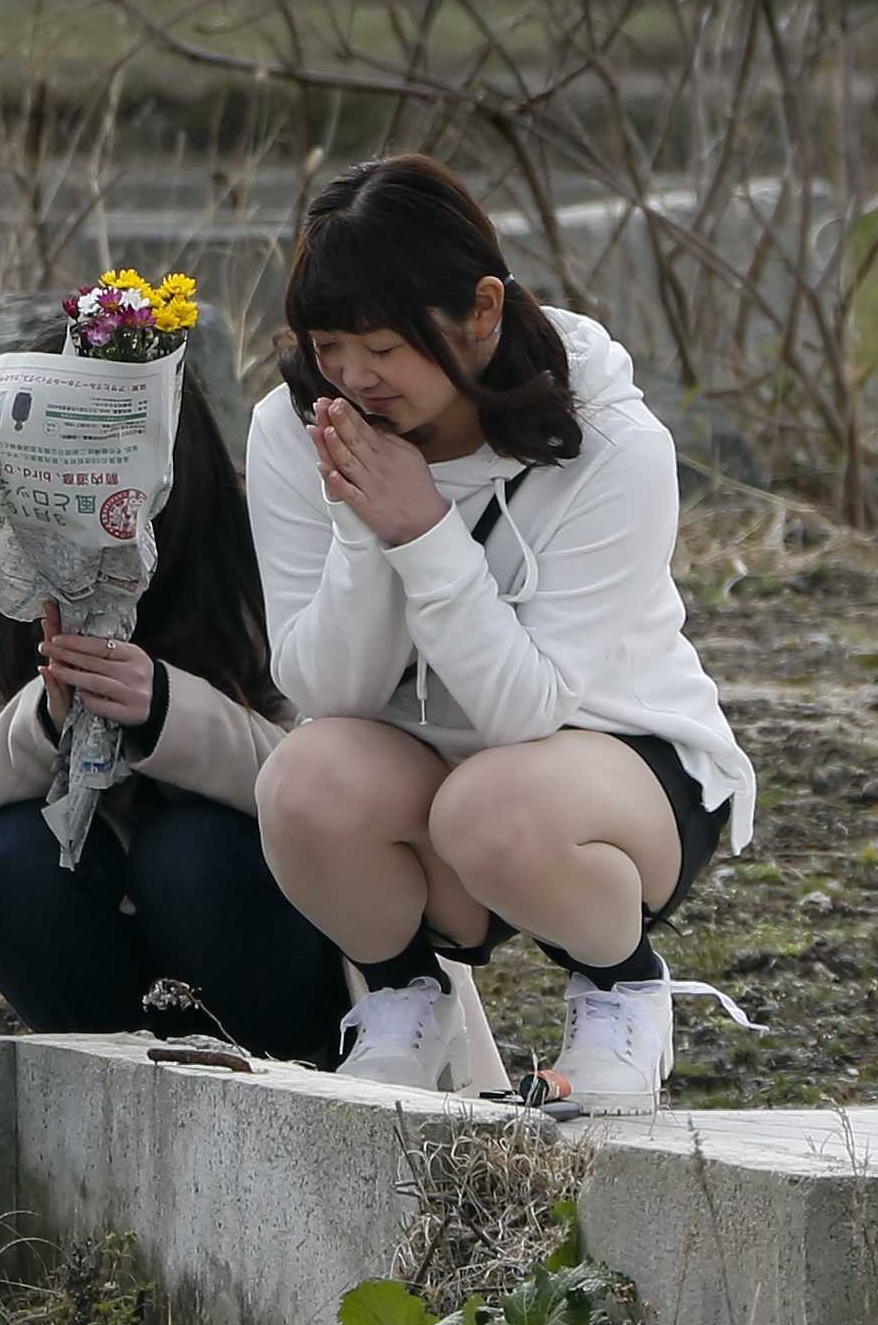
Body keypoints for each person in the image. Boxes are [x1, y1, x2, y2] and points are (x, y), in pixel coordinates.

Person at [246, 156, 758, 1114]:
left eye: (385, 348)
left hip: (609, 770)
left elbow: (530, 707)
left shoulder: (613, 444)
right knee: (301, 776)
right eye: (329, 345)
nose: (354, 378)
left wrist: (425, 531)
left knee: (491, 803)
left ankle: (623, 992)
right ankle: (402, 999)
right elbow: (328, 693)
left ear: (483, 310)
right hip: (424, 769)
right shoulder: (297, 427)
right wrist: (368, 522)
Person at [0, 367, 347, 1063]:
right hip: (98, 951)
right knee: (16, 856)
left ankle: (282, 1072)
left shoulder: (251, 540)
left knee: (191, 853)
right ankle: (101, 1076)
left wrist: (164, 709)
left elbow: (331, 784)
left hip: (265, 938)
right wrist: (45, 722)